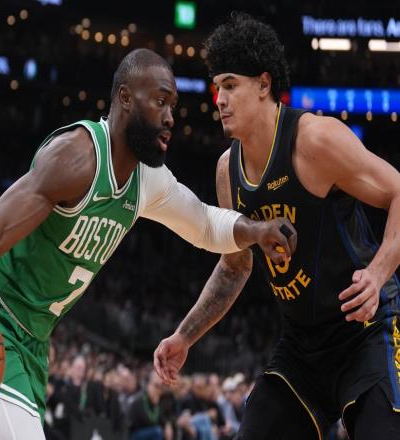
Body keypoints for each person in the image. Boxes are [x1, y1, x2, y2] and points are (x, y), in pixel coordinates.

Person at [0, 48, 296, 440]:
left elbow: (205, 223)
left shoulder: (148, 180)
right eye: (160, 101)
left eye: (173, 106)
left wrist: (256, 230)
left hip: (35, 343)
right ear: (125, 98)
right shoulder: (75, 158)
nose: (170, 117)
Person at [154, 12, 400, 440]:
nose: (220, 99)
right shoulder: (227, 170)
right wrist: (185, 336)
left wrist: (378, 275)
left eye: (231, 85)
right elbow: (234, 266)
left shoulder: (315, 140)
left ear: (264, 85)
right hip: (301, 349)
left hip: (366, 334)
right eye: (217, 88)